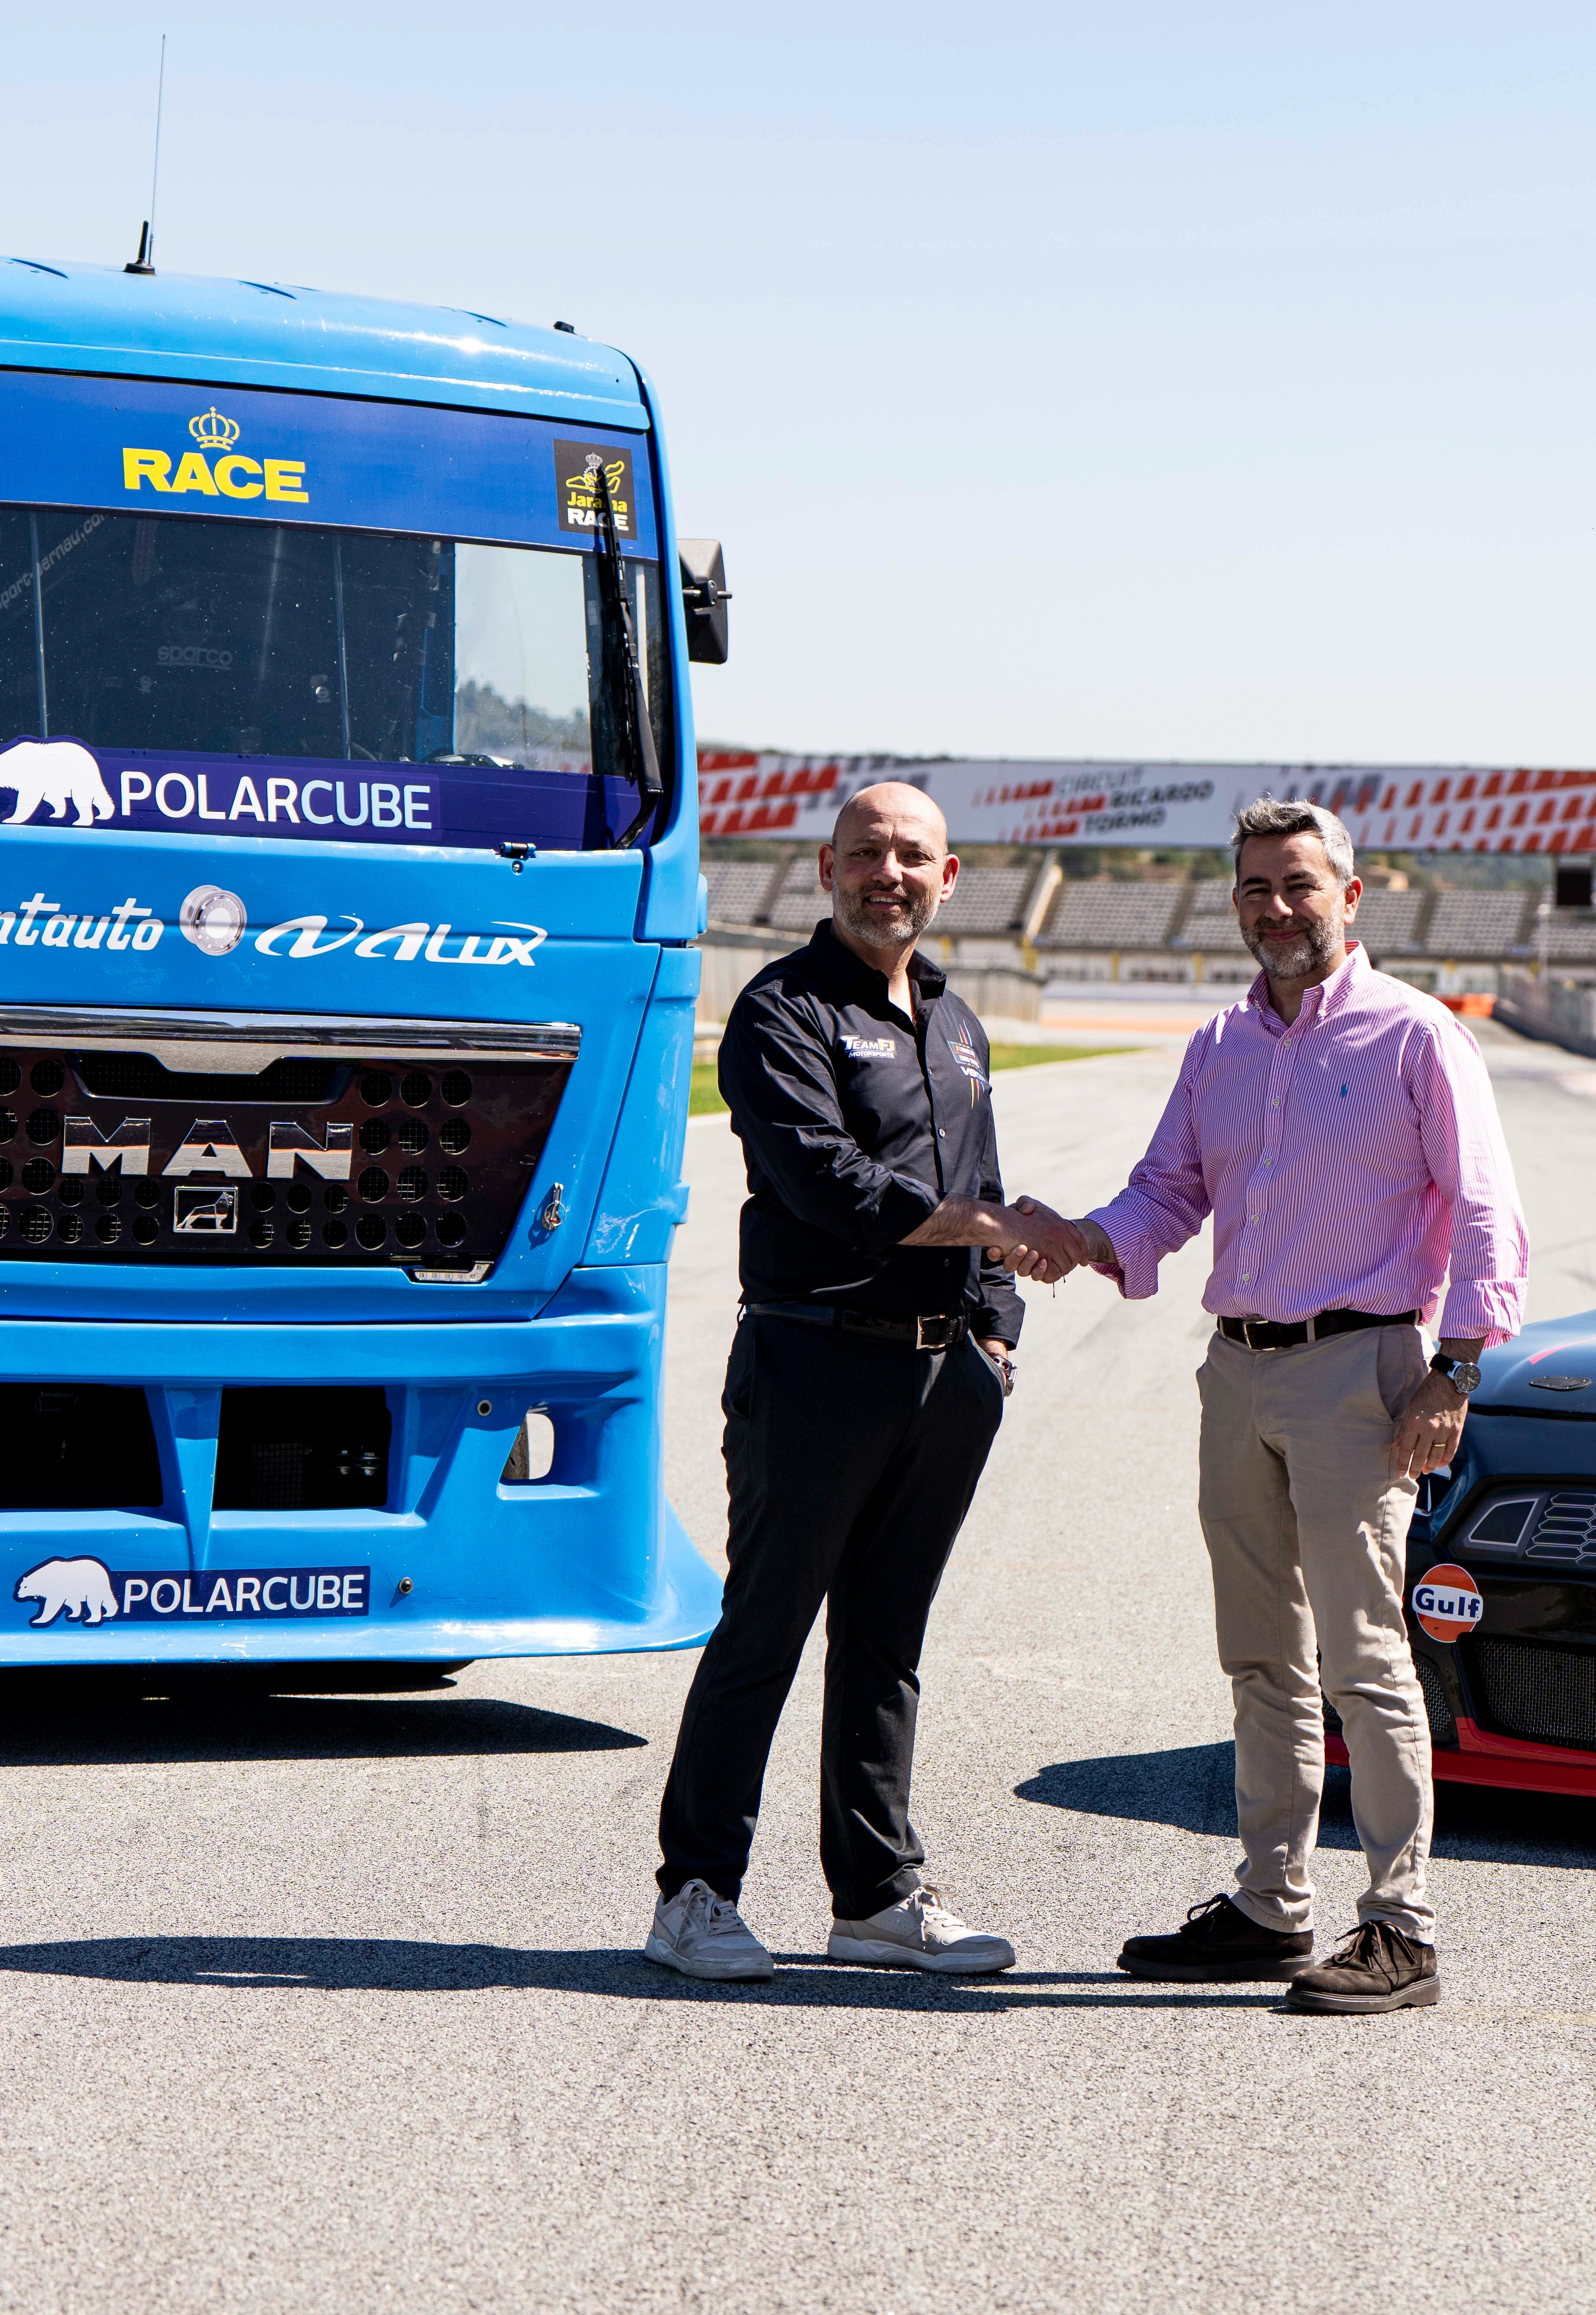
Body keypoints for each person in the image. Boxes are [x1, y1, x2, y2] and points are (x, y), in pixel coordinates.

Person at [1020, 799, 1523, 2015]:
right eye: (1256, 888)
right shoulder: (1221, 1046)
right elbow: (1167, 1192)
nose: (1277, 909)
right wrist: (1082, 1238)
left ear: (1350, 897)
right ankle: (1271, 1904)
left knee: (1365, 1656)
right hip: (1237, 1369)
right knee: (1259, 1654)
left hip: (1363, 1371)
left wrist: (1456, 1371)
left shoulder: (1417, 1037)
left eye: (1299, 885)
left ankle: (1401, 1925)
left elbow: (1484, 1210)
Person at [644, 782, 1081, 1984]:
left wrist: (996, 1336)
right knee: (767, 1627)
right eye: (868, 852)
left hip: (947, 1377)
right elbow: (827, 1184)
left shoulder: (957, 1023)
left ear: (949, 878)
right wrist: (990, 1228)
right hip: (816, 1361)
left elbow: (982, 1178)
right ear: (827, 869)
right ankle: (695, 1894)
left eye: (913, 856)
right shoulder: (782, 1010)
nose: (890, 873)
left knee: (888, 1641)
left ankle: (877, 1897)